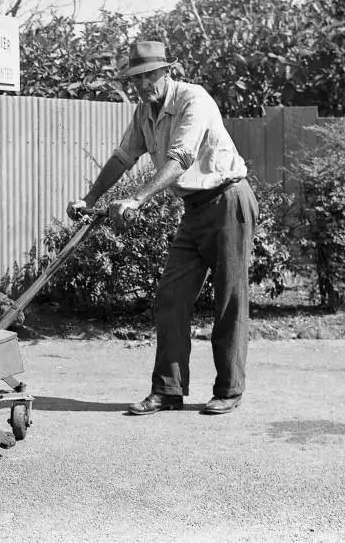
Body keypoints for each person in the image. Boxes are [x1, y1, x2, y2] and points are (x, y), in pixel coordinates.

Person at [67, 41, 258, 415]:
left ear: (167, 72)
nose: (142, 84)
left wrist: (137, 199)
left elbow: (181, 158)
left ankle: (230, 389)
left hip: (228, 200)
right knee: (171, 296)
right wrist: (89, 199)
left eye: (148, 75)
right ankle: (168, 390)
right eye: (135, 78)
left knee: (229, 299)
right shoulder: (144, 112)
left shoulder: (194, 100)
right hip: (194, 208)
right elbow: (124, 157)